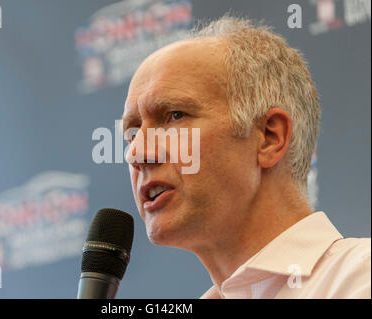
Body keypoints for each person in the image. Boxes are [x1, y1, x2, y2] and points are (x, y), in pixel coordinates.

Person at [121, 15, 371, 298]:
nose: (137, 153)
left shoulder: (360, 281)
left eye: (175, 116)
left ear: (268, 137)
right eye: (131, 133)